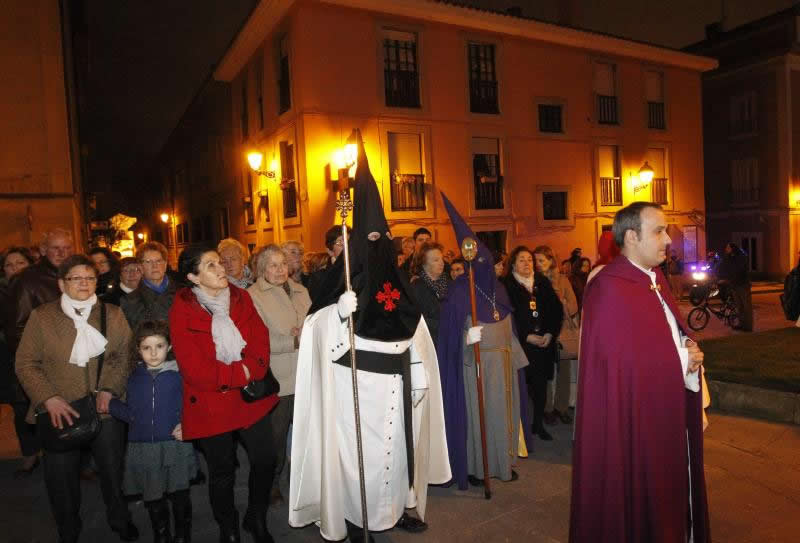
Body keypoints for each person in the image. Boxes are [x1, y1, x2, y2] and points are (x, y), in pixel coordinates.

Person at [290, 131, 449, 542]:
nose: (377, 246)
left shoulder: (399, 281)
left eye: (383, 239)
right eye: (370, 239)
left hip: (398, 382)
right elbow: (312, 332)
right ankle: (355, 518)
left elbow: (415, 331)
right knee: (358, 459)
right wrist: (334, 314)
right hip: (354, 386)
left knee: (396, 456)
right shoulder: (338, 281)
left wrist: (418, 371)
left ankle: (399, 508)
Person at [569, 202, 710, 543]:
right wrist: (680, 358)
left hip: (662, 410)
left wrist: (688, 351)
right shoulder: (609, 288)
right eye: (659, 231)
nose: (667, 240)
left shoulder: (654, 279)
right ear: (631, 236)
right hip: (631, 417)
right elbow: (617, 363)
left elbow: (664, 336)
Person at [15, 254, 138, 543]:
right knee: (62, 481)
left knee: (112, 472)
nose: (84, 283)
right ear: (61, 283)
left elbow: (124, 355)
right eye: (76, 278)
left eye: (90, 278)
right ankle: (68, 529)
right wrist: (48, 398)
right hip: (61, 410)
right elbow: (26, 363)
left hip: (104, 409)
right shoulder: (42, 317)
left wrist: (109, 387)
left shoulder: (113, 314)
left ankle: (120, 520)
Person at [170, 246, 278, 543]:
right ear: (193, 277)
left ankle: (256, 517)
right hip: (210, 401)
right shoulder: (182, 307)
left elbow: (260, 339)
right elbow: (193, 367)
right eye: (210, 266)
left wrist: (250, 370)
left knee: (266, 459)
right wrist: (237, 374)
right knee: (222, 471)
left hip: (249, 396)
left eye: (219, 262)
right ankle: (227, 527)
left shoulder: (241, 297)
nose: (220, 269)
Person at [437, 192, 530, 489]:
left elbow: (510, 328)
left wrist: (515, 361)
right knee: (479, 418)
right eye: (481, 263)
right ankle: (479, 468)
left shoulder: (499, 290)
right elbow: (448, 337)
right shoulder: (458, 292)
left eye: (489, 262)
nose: (487, 267)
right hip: (474, 369)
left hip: (502, 366)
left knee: (503, 415)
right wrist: (465, 338)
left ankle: (503, 463)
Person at [109, 320, 195, 543]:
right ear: (138, 350)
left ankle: (183, 535)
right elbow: (132, 414)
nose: (153, 353)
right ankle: (162, 534)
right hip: (144, 447)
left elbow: (194, 404)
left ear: (170, 347)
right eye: (146, 347)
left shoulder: (180, 375)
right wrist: (111, 405)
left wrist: (189, 424)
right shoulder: (133, 378)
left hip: (175, 444)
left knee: (179, 494)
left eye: (159, 346)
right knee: (153, 495)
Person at [7, 228, 75, 476]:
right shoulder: (27, 280)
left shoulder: (76, 273)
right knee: (51, 419)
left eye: (67, 248)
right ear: (43, 251)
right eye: (56, 248)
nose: (62, 252)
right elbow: (17, 329)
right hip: (48, 364)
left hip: (76, 360)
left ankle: (75, 465)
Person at [248, 244, 311, 505]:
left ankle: (304, 480)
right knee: (275, 438)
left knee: (306, 435)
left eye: (283, 264)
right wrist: (293, 341)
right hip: (279, 379)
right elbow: (256, 340)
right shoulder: (253, 296)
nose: (279, 269)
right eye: (272, 265)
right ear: (261, 269)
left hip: (306, 375)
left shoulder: (300, 290)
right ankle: (270, 484)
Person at [503, 246, 563, 441]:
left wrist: (549, 333)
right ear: (513, 263)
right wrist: (525, 335)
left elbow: (556, 310)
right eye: (522, 260)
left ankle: (538, 424)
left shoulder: (542, 282)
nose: (527, 263)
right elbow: (506, 317)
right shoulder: (506, 285)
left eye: (530, 259)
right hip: (520, 345)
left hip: (543, 345)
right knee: (519, 388)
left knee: (540, 387)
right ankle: (519, 429)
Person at [0, 247, 36, 475]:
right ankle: (30, 453)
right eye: (9, 265)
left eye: (20, 263)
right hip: (8, 356)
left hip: (39, 354)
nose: (15, 269)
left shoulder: (36, 286)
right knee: (20, 406)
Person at [533, 245, 577, 427]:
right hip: (543, 333)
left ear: (551, 261)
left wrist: (562, 302)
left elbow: (574, 307)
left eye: (541, 260)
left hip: (562, 334)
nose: (537, 264)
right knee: (545, 373)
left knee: (564, 373)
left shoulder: (563, 280)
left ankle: (562, 407)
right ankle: (547, 409)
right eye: (535, 261)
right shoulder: (532, 281)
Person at [121, 241, 177, 330]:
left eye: (158, 261)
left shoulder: (184, 292)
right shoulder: (130, 301)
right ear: (140, 267)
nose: (154, 266)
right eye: (148, 262)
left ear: (165, 264)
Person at [409, 241, 449, 344]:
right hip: (429, 342)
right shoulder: (416, 287)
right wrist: (444, 325)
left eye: (442, 259)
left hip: (450, 340)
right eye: (436, 260)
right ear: (423, 263)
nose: (442, 263)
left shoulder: (450, 284)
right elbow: (417, 319)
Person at [718, 242, 753, 331]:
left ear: (733, 248)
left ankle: (748, 326)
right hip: (734, 285)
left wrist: (729, 279)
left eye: (728, 248)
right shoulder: (730, 258)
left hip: (742, 285)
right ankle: (741, 324)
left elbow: (739, 271)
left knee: (746, 306)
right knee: (739, 306)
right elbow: (724, 268)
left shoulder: (741, 257)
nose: (726, 250)